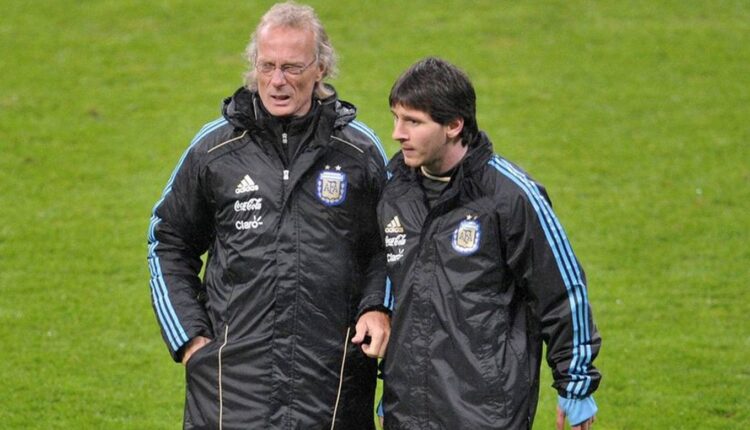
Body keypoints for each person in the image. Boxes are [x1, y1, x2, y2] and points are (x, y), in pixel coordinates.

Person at [146, 2, 391, 428]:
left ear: (320, 69)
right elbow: (168, 241)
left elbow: (393, 244)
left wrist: (377, 307)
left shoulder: (359, 152)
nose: (277, 81)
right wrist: (190, 339)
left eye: (292, 68)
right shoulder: (215, 150)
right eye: (267, 66)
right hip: (229, 391)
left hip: (331, 388)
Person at [378, 57, 602, 429]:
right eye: (396, 118)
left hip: (485, 413)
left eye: (413, 122)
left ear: (454, 126)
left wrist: (575, 384)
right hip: (408, 410)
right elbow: (385, 273)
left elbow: (563, 291)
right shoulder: (394, 187)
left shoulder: (510, 196)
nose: (397, 133)